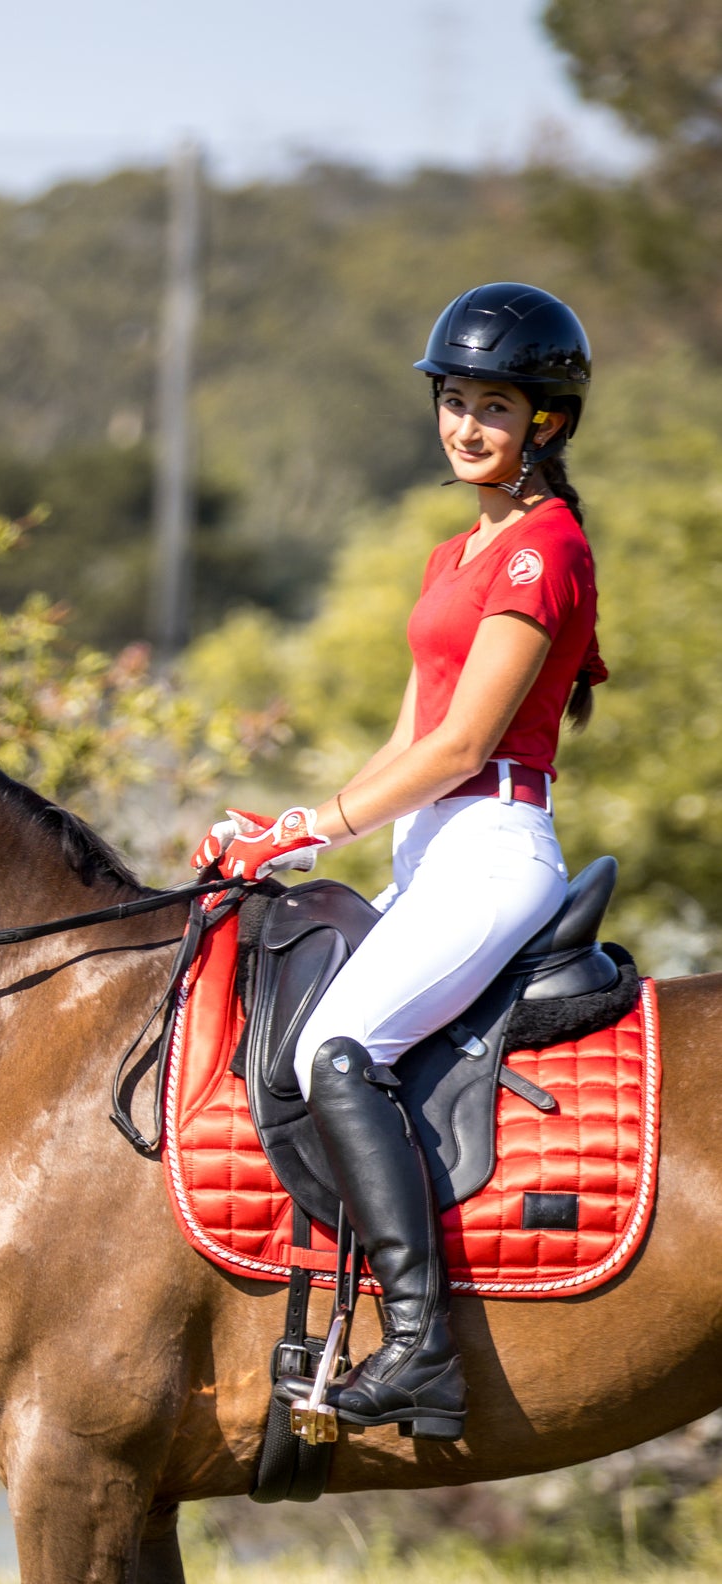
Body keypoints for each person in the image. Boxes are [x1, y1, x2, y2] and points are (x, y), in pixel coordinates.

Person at [193, 282, 607, 1436]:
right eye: (454, 402)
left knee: (338, 1046)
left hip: (491, 845)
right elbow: (406, 738)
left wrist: (307, 828)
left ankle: (421, 1346)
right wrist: (280, 823)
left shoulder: (541, 552)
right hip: (431, 848)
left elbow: (466, 744)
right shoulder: (452, 553)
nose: (466, 427)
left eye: (494, 407)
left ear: (546, 423)